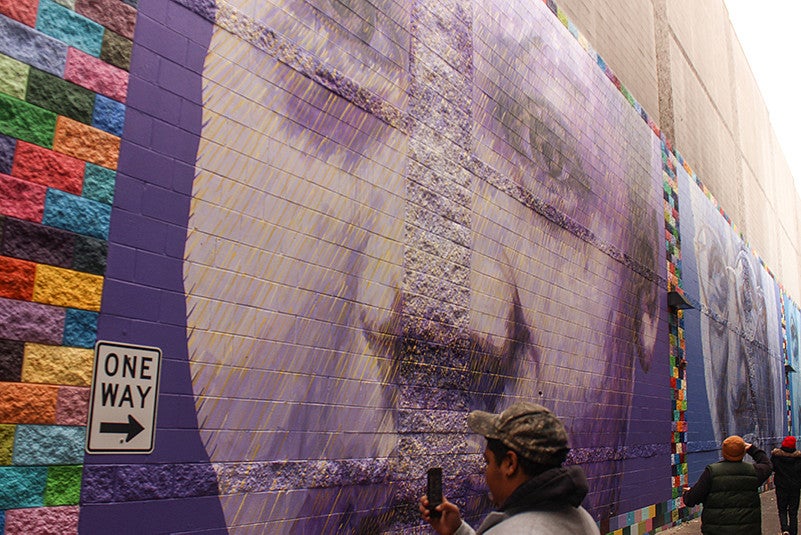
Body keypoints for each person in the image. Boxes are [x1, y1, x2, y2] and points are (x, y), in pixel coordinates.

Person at [419, 402, 599, 534]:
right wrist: (457, 530)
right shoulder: (583, 520)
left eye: (488, 462)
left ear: (510, 464)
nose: (485, 472)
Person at [682, 435, 772, 534]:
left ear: (723, 452)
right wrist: (752, 449)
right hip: (747, 531)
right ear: (743, 452)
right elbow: (767, 464)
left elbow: (692, 499)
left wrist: (689, 493)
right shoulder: (753, 472)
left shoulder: (712, 472)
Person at [771, 435, 801, 535]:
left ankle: (785, 529)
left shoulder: (776, 456)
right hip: (795, 488)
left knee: (782, 509)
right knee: (793, 512)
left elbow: (772, 468)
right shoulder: (798, 458)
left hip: (781, 486)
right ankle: (793, 532)